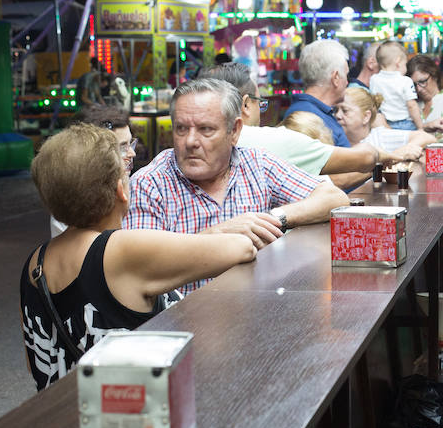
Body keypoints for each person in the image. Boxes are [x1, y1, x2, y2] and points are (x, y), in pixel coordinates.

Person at [22, 124, 256, 391]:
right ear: (121, 190)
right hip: (125, 420)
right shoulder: (120, 249)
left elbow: (34, 360)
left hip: (60, 419)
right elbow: (241, 248)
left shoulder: (34, 263)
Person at [123, 78, 349, 295]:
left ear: (235, 131)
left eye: (205, 129)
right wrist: (218, 234)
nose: (190, 141)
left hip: (257, 310)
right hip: (182, 321)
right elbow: (140, 271)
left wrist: (272, 218)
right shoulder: (149, 184)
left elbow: (333, 198)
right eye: (181, 129)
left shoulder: (257, 164)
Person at [203, 62, 415, 189]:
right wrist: (393, 156)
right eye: (261, 103)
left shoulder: (187, 148)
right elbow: (363, 159)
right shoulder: (270, 140)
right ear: (246, 104)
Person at [50, 104, 138, 237]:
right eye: (122, 147)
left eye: (131, 143)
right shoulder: (70, 206)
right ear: (92, 154)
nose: (132, 153)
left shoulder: (139, 188)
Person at [283, 40, 353, 147]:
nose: (347, 82)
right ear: (336, 78)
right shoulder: (307, 119)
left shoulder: (309, 110)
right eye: (346, 75)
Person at [336, 87, 434, 157]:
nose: (338, 116)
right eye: (336, 110)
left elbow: (427, 137)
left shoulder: (379, 137)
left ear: (366, 116)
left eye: (345, 110)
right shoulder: (333, 139)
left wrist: (403, 151)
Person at [369, 41, 424, 130]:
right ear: (398, 62)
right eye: (405, 64)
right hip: (406, 124)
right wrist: (421, 127)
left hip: (384, 123)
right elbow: (412, 106)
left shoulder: (374, 80)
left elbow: (374, 102)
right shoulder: (405, 81)